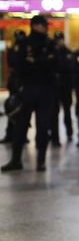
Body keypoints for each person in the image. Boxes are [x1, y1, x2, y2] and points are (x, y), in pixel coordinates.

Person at [1, 15, 57, 172]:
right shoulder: (23, 43)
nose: (46, 28)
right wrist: (42, 62)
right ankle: (16, 160)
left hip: (45, 90)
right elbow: (18, 64)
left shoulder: (50, 44)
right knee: (20, 125)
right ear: (35, 26)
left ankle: (41, 161)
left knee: (43, 126)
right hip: (27, 89)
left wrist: (35, 62)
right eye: (43, 25)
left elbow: (55, 65)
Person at [0, 29, 27, 144]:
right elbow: (12, 63)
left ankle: (22, 135)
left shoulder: (27, 49)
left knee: (24, 111)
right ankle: (10, 134)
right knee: (12, 109)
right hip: (16, 83)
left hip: (24, 84)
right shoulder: (14, 50)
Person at [49, 31, 74, 146]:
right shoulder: (52, 53)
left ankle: (69, 132)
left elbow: (69, 68)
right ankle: (54, 137)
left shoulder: (68, 53)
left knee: (67, 111)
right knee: (54, 113)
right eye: (57, 39)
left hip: (66, 87)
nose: (59, 42)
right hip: (54, 87)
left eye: (60, 39)